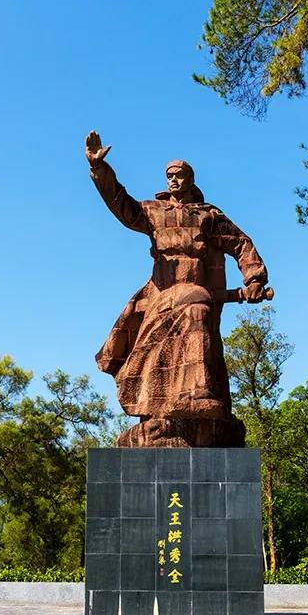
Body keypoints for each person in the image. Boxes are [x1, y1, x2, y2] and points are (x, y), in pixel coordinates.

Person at [85, 130, 270, 446]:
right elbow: (121, 204)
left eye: (179, 175)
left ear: (190, 179)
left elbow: (240, 242)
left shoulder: (207, 215)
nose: (173, 180)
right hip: (162, 295)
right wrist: (99, 169)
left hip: (196, 290)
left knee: (198, 306)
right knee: (188, 312)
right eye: (169, 175)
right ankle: (171, 402)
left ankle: (198, 392)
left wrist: (254, 279)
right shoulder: (154, 212)